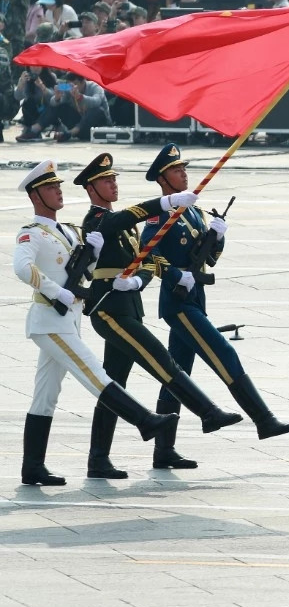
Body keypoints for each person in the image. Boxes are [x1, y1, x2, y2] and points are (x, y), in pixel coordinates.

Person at [75, 153, 242, 478]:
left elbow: (148, 258)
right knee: (161, 359)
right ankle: (208, 412)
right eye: (106, 180)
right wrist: (165, 202)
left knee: (115, 382)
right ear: (92, 187)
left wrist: (140, 279)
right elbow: (120, 220)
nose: (113, 184)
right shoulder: (96, 221)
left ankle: (98, 459)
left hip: (128, 310)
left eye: (114, 178)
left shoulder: (125, 226)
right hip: (108, 311)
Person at [12, 160, 178, 486]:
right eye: (50, 188)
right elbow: (22, 269)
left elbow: (83, 276)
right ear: (35, 196)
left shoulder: (70, 231)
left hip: (67, 321)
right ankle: (144, 420)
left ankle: (33, 467)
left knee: (46, 395)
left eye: (58, 186)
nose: (58, 191)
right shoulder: (31, 234)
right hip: (49, 321)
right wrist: (54, 290)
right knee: (94, 373)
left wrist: (91, 257)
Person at [141, 144, 289, 467]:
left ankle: (163, 451)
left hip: (196, 298)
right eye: (176, 170)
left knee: (176, 375)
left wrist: (218, 237)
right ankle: (263, 419)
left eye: (184, 168)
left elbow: (209, 258)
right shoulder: (161, 213)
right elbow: (146, 255)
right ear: (162, 179)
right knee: (224, 353)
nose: (183, 173)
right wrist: (173, 275)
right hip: (178, 304)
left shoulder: (195, 211)